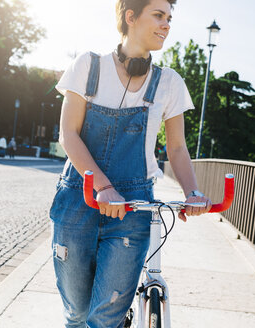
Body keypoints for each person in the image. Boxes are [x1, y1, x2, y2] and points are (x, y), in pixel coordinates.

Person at [49, 0, 212, 326]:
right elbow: (68, 134)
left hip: (132, 210)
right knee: (77, 313)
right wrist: (104, 187)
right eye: (158, 15)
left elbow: (177, 149)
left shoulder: (169, 83)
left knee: (104, 318)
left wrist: (193, 192)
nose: (166, 24)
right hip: (79, 203)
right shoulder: (88, 66)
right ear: (130, 16)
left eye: (169, 17)